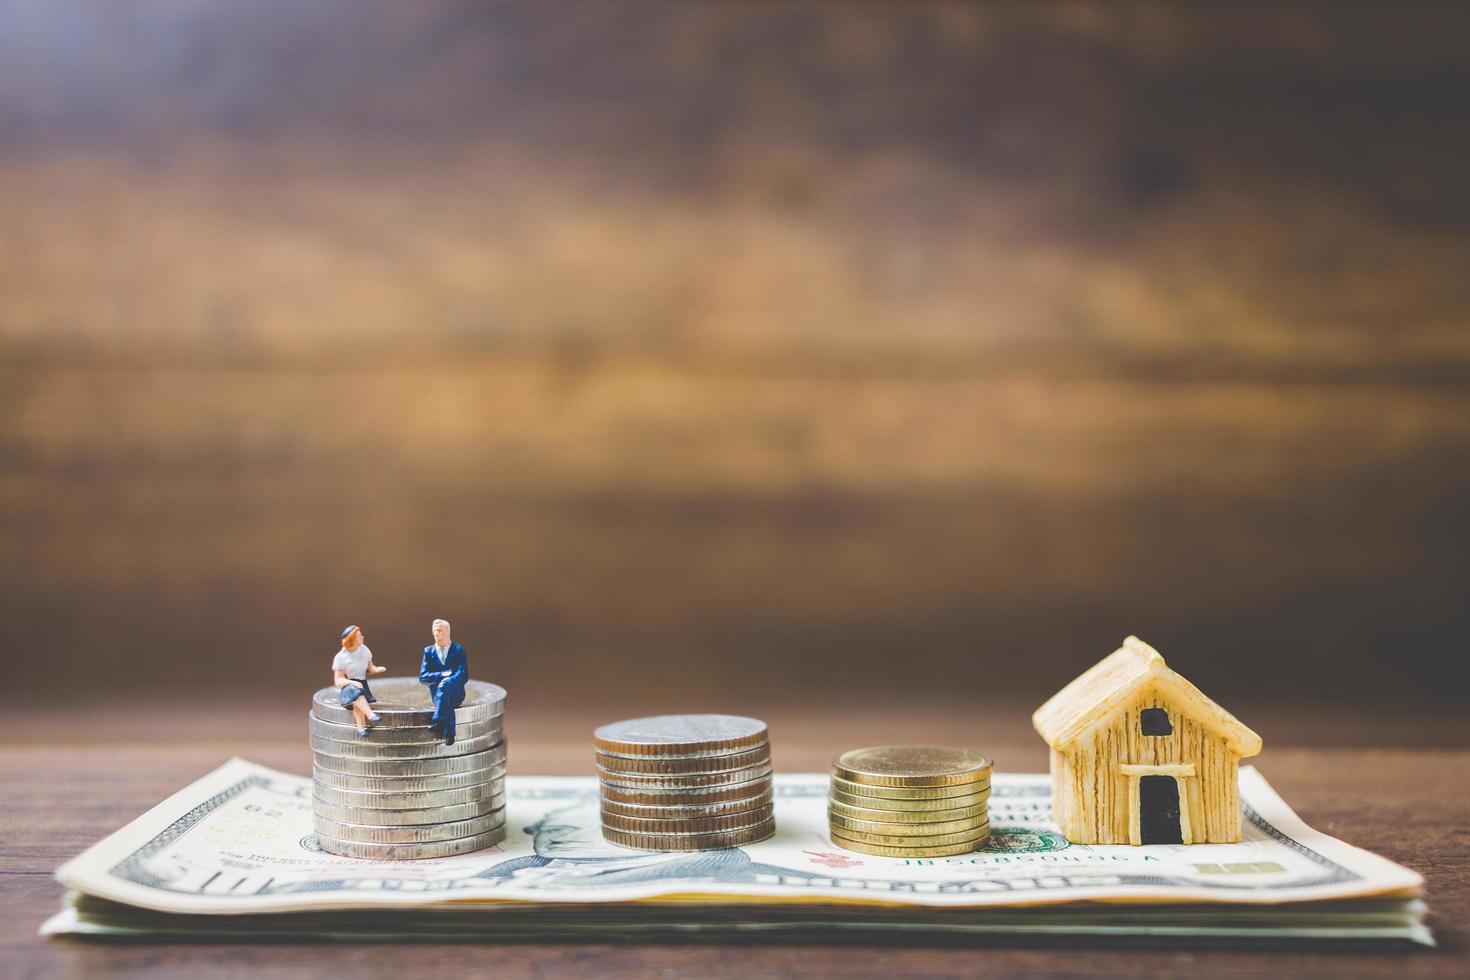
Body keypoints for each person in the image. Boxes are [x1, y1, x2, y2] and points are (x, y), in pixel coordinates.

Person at [419, 618, 468, 745]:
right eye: (434, 631)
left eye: (439, 630)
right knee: (447, 698)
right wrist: (443, 675)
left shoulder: (458, 650)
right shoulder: (428, 651)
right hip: (437, 696)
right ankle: (449, 734)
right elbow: (423, 677)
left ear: (447, 633)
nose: (436, 633)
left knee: (447, 688)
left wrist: (448, 681)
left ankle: (439, 718)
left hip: (456, 692)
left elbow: (463, 675)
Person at [332, 625, 386, 736]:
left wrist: (377, 669)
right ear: (352, 640)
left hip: (362, 683)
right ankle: (370, 715)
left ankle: (361, 729)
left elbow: (370, 669)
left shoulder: (365, 650)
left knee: (358, 705)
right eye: (359, 636)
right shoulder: (340, 657)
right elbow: (338, 681)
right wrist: (352, 682)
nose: (362, 637)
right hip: (348, 686)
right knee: (357, 694)